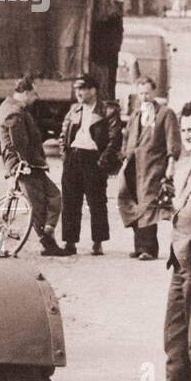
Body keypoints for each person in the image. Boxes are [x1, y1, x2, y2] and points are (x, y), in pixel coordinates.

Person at [142, 100, 191, 381]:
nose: (189, 136)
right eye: (186, 129)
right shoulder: (188, 166)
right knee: (175, 336)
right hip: (181, 261)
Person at [0, 77, 64, 256]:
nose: (35, 97)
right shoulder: (14, 111)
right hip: (25, 165)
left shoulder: (13, 108)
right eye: (34, 93)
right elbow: (19, 142)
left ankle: (48, 237)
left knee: (53, 197)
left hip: (31, 164)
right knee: (39, 204)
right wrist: (22, 163)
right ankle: (48, 243)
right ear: (25, 93)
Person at [59, 73, 122, 256]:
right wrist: (65, 154)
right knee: (70, 201)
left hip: (94, 159)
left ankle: (98, 242)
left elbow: (115, 139)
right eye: (77, 89)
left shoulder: (108, 111)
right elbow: (63, 134)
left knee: (97, 202)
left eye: (83, 88)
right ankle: (70, 242)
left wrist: (102, 160)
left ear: (93, 90)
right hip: (73, 158)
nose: (78, 92)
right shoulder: (74, 110)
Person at [118, 76, 181, 261]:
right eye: (141, 93)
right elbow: (127, 137)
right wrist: (124, 157)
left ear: (153, 92)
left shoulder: (165, 113)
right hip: (133, 165)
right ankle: (138, 247)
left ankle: (149, 249)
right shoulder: (136, 114)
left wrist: (171, 163)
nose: (144, 96)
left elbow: (172, 140)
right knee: (133, 202)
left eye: (147, 92)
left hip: (153, 166)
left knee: (147, 205)